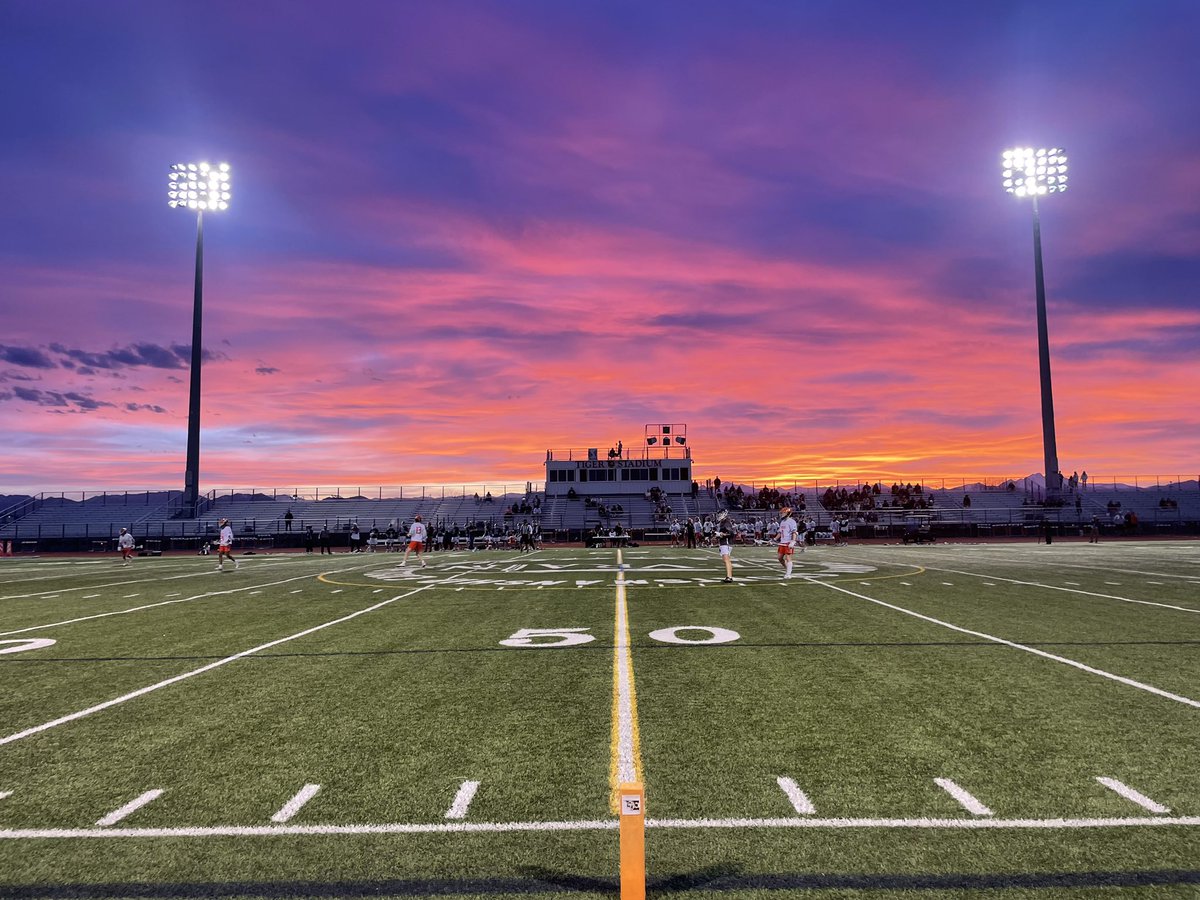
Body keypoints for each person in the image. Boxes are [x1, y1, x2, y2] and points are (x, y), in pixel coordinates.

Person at [777, 507, 800, 578]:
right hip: (782, 542)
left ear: (787, 513)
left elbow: (794, 532)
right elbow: (780, 533)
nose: (781, 514)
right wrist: (774, 539)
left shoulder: (792, 521)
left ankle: (788, 574)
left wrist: (793, 541)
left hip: (788, 542)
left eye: (783, 512)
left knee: (788, 557)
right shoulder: (782, 522)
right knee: (780, 558)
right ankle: (788, 570)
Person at [715, 510, 735, 582]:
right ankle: (729, 576)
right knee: (726, 560)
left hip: (726, 543)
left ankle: (729, 577)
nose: (719, 516)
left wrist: (721, 534)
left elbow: (731, 533)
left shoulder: (726, 522)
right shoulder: (723, 522)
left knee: (726, 560)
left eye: (720, 514)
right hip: (724, 542)